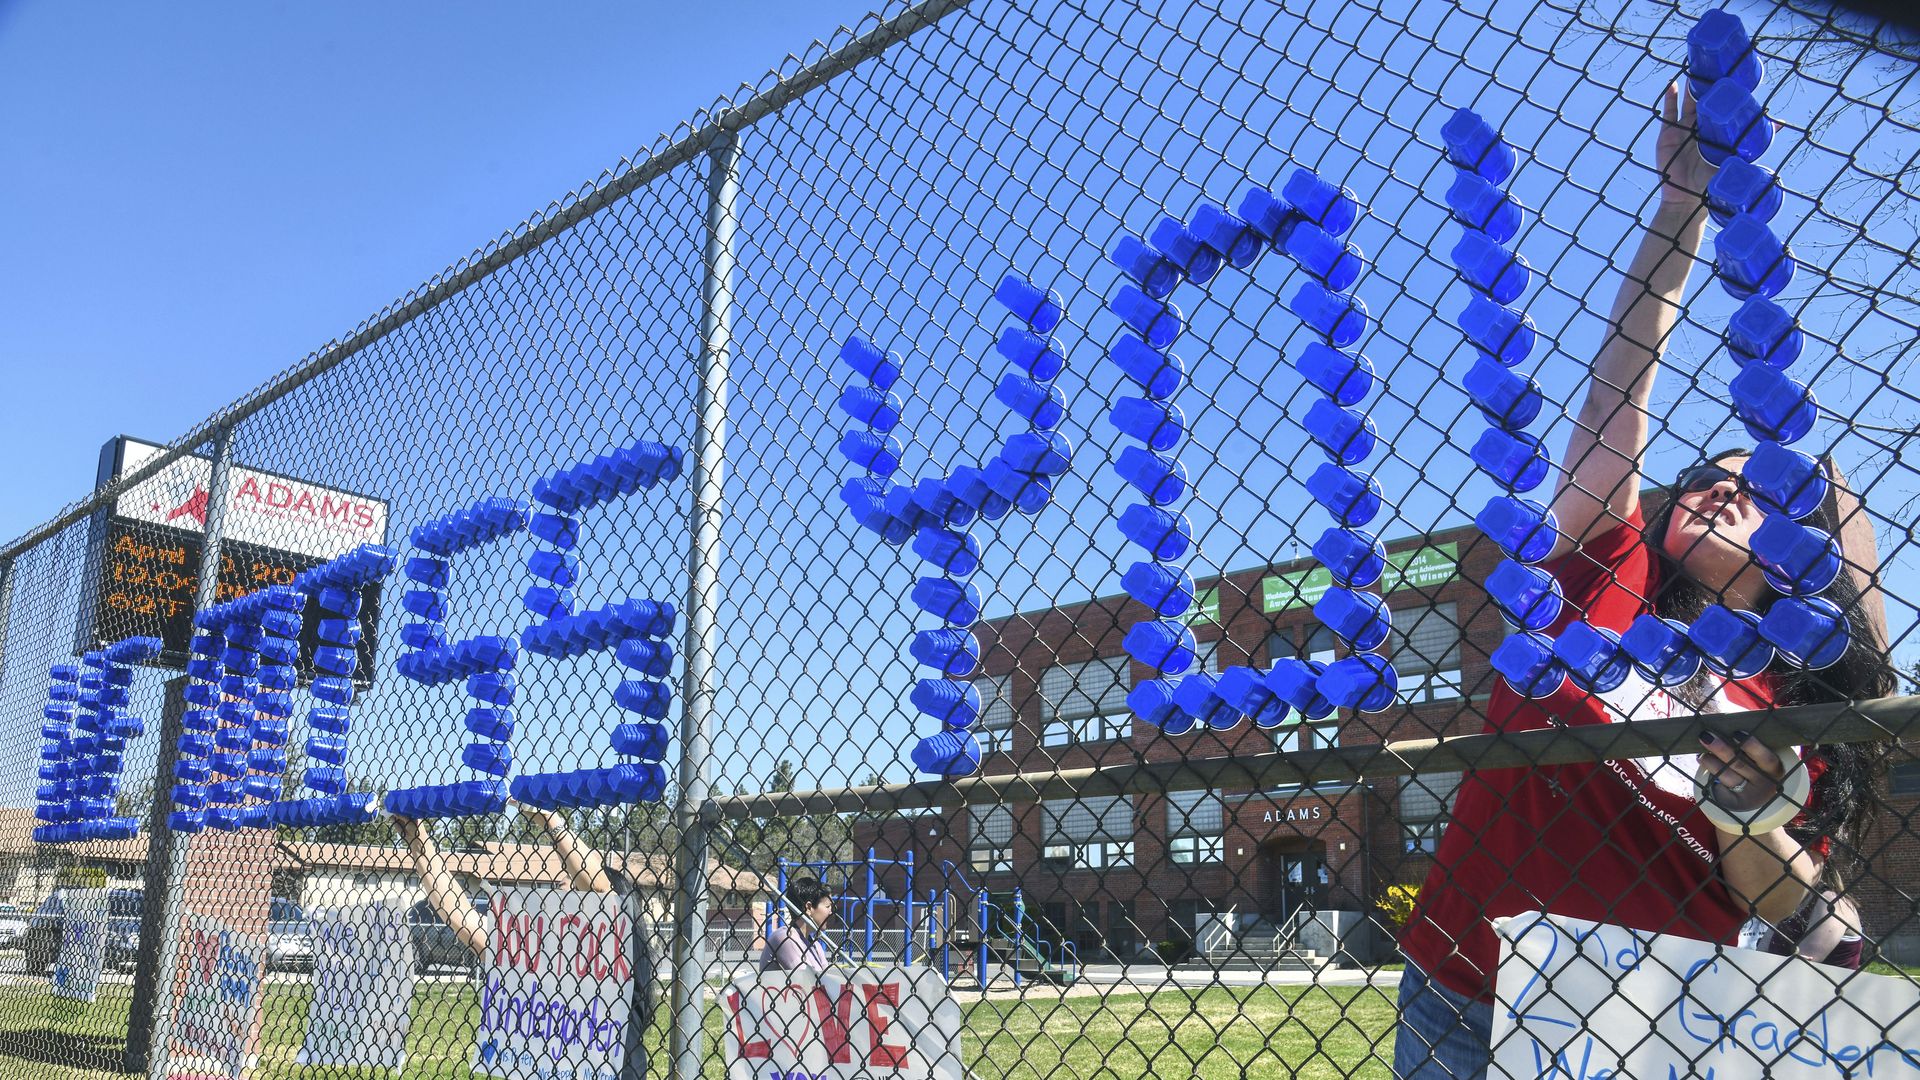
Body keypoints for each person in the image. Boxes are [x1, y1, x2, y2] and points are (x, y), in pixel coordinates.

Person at [1391, 81, 1897, 1080]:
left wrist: (1746, 807)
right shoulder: (1600, 578)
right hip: (1456, 995)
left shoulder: (1793, 701)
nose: (1721, 491)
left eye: (1760, 499)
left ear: (1804, 563)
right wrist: (1679, 213)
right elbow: (1617, 396)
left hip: (1637, 1032)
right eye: (1709, 478)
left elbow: (1775, 899)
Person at [394, 803, 659, 1070]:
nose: (555, 898)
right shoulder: (538, 955)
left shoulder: (619, 945)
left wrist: (550, 820)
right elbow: (461, 916)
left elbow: (600, 887)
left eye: (569, 889)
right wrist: (419, 843)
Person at [1764, 883, 1865, 969]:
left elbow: (1799, 967)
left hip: (1826, 990)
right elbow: (1761, 954)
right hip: (1781, 989)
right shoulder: (1791, 902)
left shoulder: (1832, 901)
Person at [760, 876, 834, 972]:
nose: (831, 912)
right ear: (808, 907)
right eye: (828, 906)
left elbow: (826, 978)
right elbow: (808, 980)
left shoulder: (815, 945)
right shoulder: (785, 937)